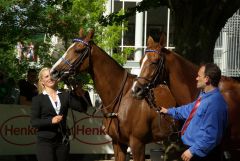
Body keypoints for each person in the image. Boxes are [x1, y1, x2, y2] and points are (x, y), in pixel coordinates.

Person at [160, 63, 228, 161]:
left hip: (200, 154)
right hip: (191, 148)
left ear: (206, 79)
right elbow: (189, 109)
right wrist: (168, 111)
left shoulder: (215, 103)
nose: (196, 78)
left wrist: (193, 150)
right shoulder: (204, 96)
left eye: (199, 76)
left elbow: (212, 135)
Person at [30, 67, 88, 161]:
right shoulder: (38, 99)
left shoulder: (65, 95)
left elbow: (82, 108)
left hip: (62, 141)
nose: (50, 78)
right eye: (46, 76)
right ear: (42, 82)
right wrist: (51, 121)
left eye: (52, 75)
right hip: (45, 141)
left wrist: (80, 94)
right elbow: (34, 122)